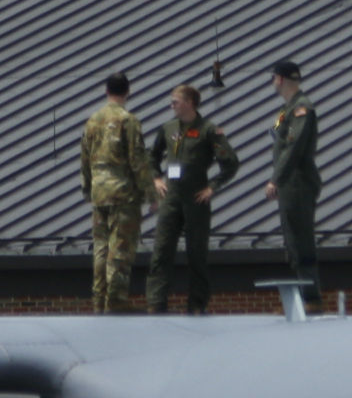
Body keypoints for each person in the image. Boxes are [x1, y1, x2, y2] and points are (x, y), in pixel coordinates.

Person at [145, 83, 237, 314]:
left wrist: (212, 187)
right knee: (161, 251)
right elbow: (151, 156)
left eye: (175, 101)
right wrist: (156, 179)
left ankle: (197, 304)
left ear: (189, 103)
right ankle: (156, 303)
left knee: (197, 253)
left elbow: (231, 163)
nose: (172, 105)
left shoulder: (208, 130)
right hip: (171, 197)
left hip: (196, 198)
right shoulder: (168, 128)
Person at [78, 72, 158, 312]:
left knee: (101, 249)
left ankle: (98, 301)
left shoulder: (92, 120)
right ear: (128, 92)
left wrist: (88, 188)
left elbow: (84, 158)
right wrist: (150, 194)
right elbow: (137, 160)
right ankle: (116, 302)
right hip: (123, 195)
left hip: (99, 194)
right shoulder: (128, 120)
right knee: (120, 249)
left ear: (106, 91)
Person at [264, 58, 321, 289]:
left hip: (297, 182)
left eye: (273, 78)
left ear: (279, 79)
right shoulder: (285, 110)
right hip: (290, 183)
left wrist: (275, 179)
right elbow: (277, 135)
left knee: (300, 242)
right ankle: (305, 294)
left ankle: (311, 297)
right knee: (292, 241)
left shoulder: (301, 108)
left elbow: (293, 146)